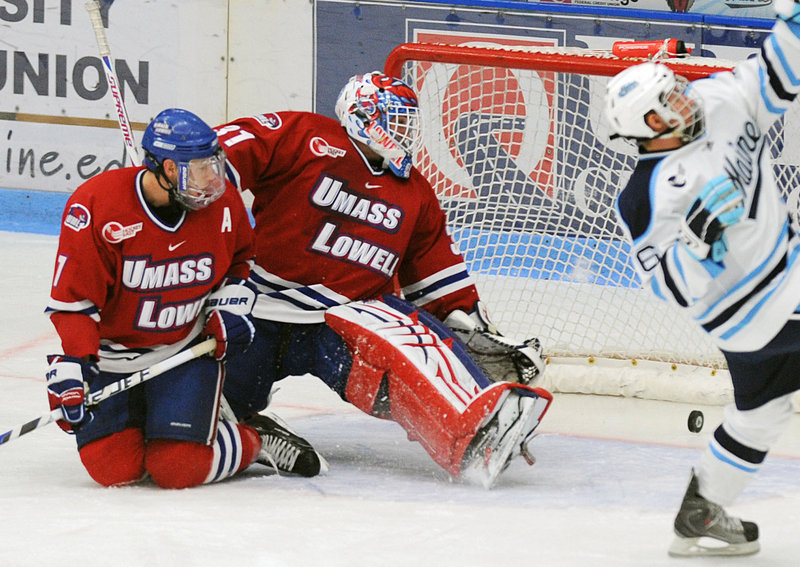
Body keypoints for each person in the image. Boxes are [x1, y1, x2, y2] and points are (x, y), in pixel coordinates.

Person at [215, 71, 550, 488]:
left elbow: (435, 271)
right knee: (209, 404)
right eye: (396, 119)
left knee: (409, 341)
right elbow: (219, 157)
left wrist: (471, 327)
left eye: (409, 122)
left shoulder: (413, 192)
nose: (404, 132)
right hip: (257, 307)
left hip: (348, 319)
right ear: (362, 114)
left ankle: (478, 429)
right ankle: (253, 432)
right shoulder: (306, 135)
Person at [604, 0, 800, 556]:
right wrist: (698, 240)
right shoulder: (646, 198)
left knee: (762, 414)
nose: (682, 99)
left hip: (784, 276)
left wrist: (794, 29)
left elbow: (771, 76)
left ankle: (701, 510)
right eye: (666, 102)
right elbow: (668, 286)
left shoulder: (718, 100)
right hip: (755, 309)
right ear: (647, 128)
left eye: (675, 88)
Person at [44, 108, 321, 489]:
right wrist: (73, 366)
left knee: (178, 467)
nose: (213, 179)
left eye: (215, 163)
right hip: (112, 359)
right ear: (169, 169)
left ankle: (253, 438)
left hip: (184, 353)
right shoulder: (97, 206)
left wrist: (231, 307)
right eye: (201, 167)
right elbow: (74, 303)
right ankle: (160, 423)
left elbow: (241, 262)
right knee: (113, 470)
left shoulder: (222, 205)